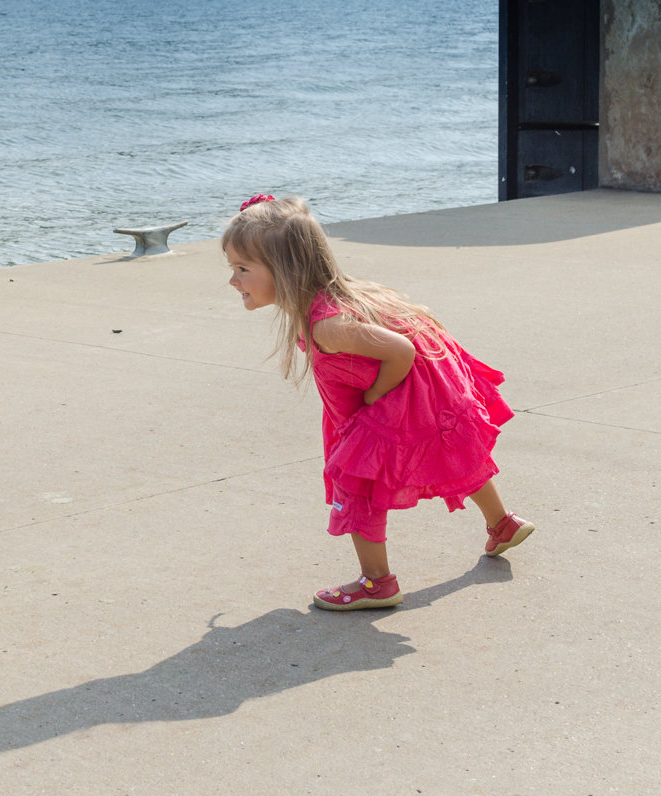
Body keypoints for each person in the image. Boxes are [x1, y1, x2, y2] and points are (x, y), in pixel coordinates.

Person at [224, 194, 535, 611]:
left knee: (356, 485)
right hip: (421, 392)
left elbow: (401, 350)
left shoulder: (329, 326)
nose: (233, 281)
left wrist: (374, 396)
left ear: (285, 269)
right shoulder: (329, 303)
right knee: (452, 454)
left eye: (242, 269)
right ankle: (503, 523)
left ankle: (377, 584)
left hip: (396, 395)